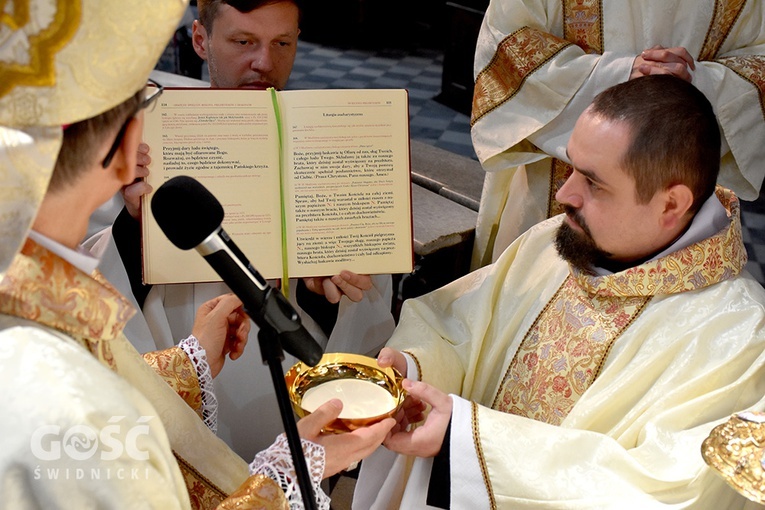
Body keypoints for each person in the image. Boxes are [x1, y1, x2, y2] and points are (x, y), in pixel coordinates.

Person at [0, 1, 393, 507]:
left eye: (282, 43)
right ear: (128, 153)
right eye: (242, 41)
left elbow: (117, 379)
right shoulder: (75, 406)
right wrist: (286, 481)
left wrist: (193, 365)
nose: (263, 62)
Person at [352, 75, 765, 509]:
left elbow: (666, 490)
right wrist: (413, 369)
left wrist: (467, 441)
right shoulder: (555, 243)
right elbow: (459, 329)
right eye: (570, 166)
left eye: (594, 183)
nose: (565, 193)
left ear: (671, 204)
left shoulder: (738, 339)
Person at [470, 0, 765, 269]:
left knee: (668, 321)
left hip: (676, 194)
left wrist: (697, 85)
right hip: (548, 186)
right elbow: (504, 42)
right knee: (531, 303)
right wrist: (617, 77)